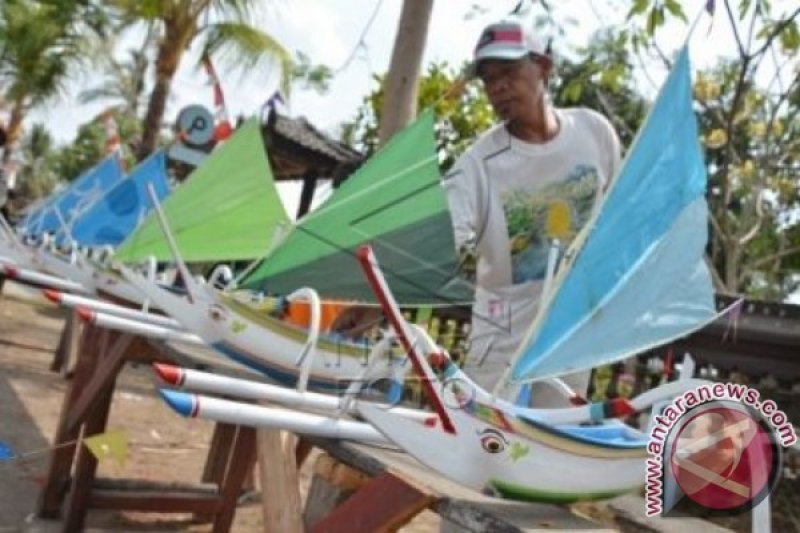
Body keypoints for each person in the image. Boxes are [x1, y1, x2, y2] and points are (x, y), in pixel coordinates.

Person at [443, 19, 622, 406]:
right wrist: (378, 304)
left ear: (543, 66)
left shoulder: (595, 134)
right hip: (500, 322)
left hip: (571, 322)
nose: (498, 88)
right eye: (488, 80)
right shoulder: (477, 164)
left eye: (508, 72)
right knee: (474, 428)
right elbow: (439, 244)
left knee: (553, 438)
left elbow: (619, 216)